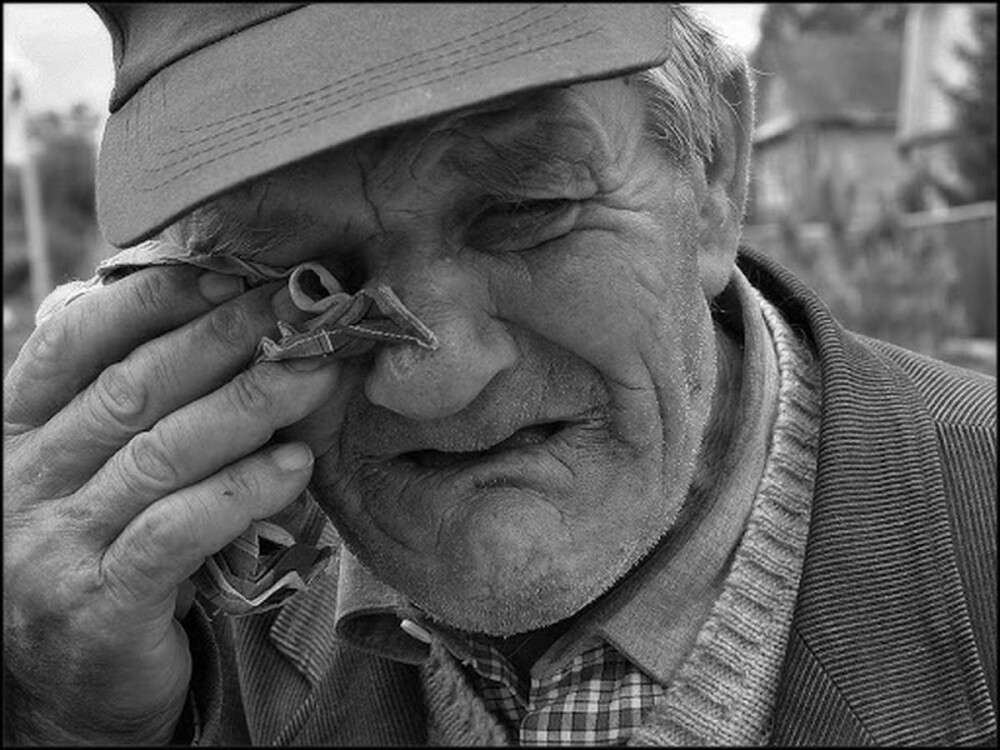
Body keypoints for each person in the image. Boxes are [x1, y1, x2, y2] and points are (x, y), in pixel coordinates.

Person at [3, 4, 995, 746]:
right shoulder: (151, 633)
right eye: (306, 283)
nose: (434, 382)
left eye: (525, 212)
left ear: (714, 174)